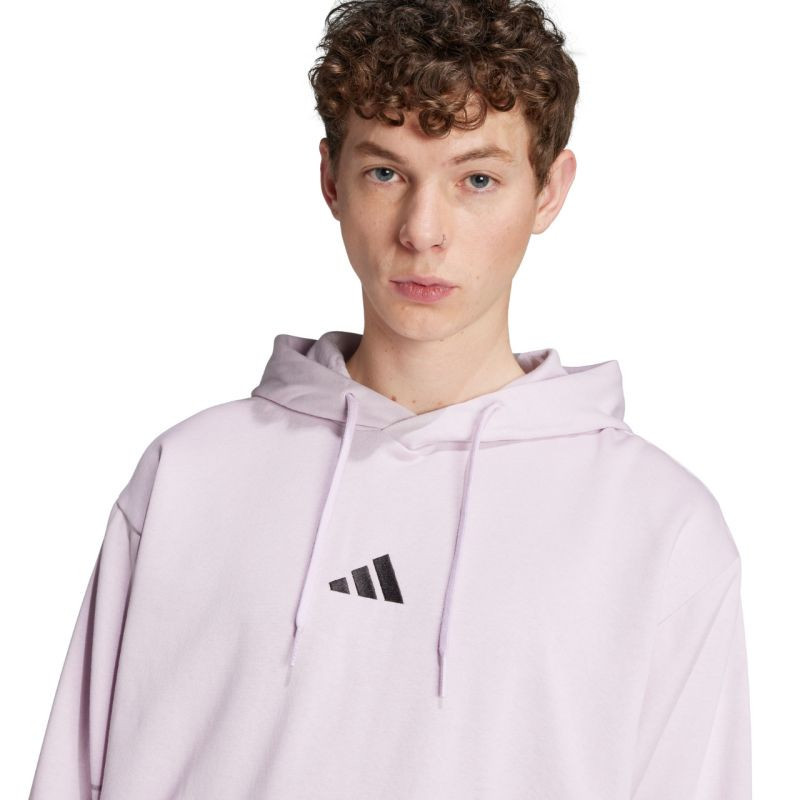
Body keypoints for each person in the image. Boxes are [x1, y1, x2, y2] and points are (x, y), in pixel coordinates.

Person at [29, 0, 752, 797]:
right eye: (386, 173)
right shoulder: (187, 477)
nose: (423, 230)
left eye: (477, 180)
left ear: (549, 191)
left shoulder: (659, 527)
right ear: (330, 180)